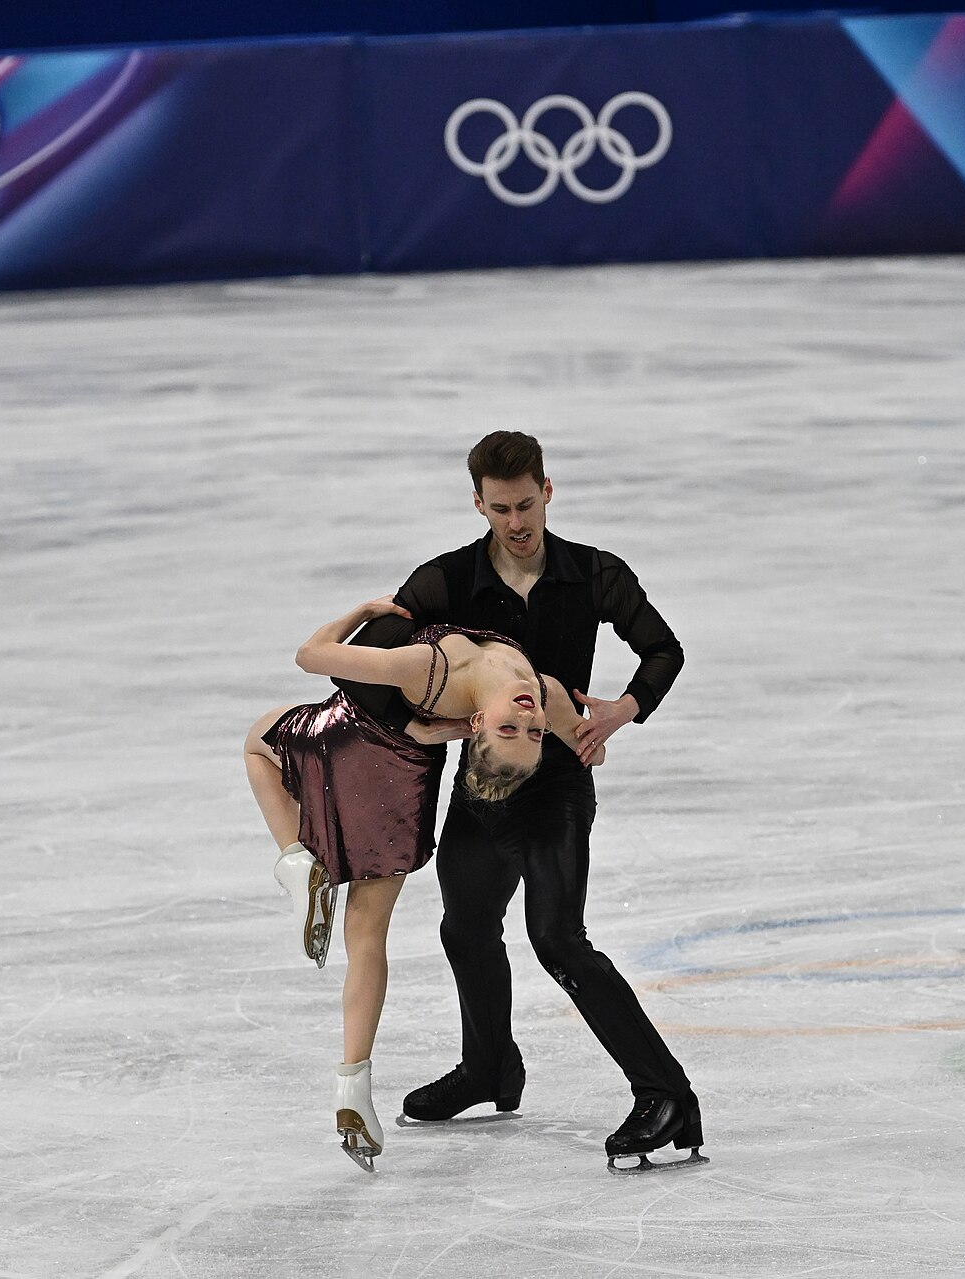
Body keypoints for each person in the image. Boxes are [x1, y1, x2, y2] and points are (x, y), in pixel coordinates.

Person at [341, 431, 704, 1174]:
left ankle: (667, 1095)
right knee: (465, 925)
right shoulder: (445, 579)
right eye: (501, 508)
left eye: (527, 504)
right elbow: (365, 674)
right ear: (478, 503)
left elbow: (663, 649)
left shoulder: (595, 573)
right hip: (479, 786)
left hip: (557, 788)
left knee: (557, 938)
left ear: (548, 491)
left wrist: (622, 709)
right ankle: (489, 1068)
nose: (517, 522)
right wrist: (425, 727)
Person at [243, 596, 601, 1172]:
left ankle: (294, 862)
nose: (529, 719)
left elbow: (310, 655)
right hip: (400, 789)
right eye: (527, 730)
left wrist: (361, 613)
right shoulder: (547, 696)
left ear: (476, 728)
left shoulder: (430, 668)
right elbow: (590, 748)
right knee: (365, 933)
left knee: (257, 744)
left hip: (346, 737)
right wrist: (593, 724)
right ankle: (352, 1084)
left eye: (518, 730)